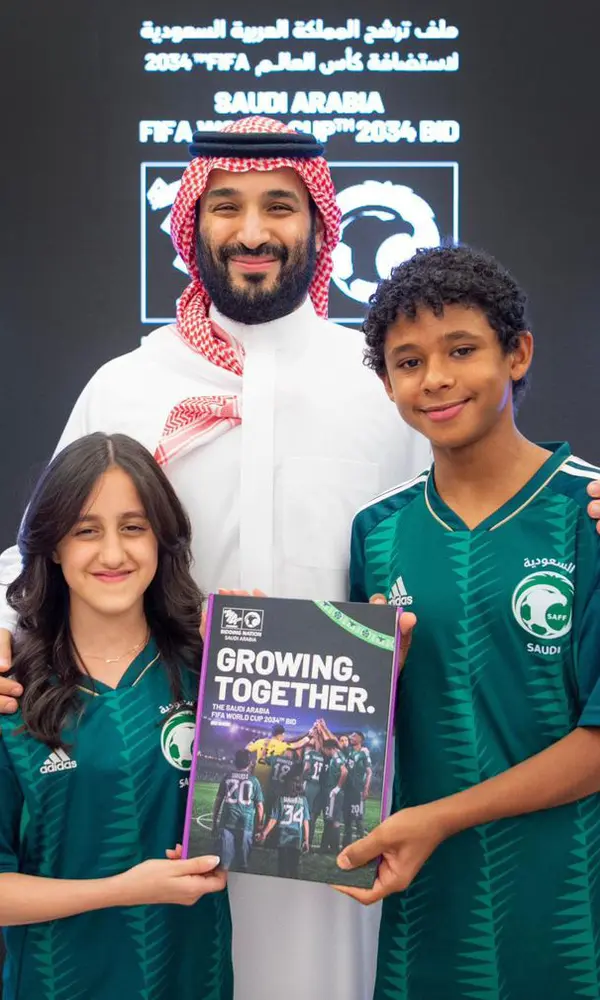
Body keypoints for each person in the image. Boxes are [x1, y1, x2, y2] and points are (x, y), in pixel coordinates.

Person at [0, 115, 430, 1000]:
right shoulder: (130, 384)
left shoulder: (378, 383)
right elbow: (44, 550)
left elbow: (449, 533)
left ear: (319, 222)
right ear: (193, 222)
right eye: (226, 206)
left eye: (279, 205)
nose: (252, 231)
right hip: (159, 780)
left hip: (324, 788)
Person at [338, 245, 600, 999]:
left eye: (461, 350)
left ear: (517, 354)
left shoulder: (588, 514)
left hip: (568, 909)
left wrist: (441, 819)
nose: (436, 378)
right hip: (425, 906)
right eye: (409, 362)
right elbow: (361, 732)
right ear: (387, 383)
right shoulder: (376, 532)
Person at [0, 432, 231, 1000]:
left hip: (191, 980)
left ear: (161, 538)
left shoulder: (212, 670)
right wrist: (125, 889)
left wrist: (370, 662)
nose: (112, 554)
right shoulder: (10, 694)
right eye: (86, 530)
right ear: (54, 545)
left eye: (133, 527)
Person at [213, 750, 264, 872]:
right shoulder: (253, 780)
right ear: (249, 763)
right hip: (246, 824)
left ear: (235, 762)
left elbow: (218, 801)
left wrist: (214, 822)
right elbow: (259, 806)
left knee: (225, 863)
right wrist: (259, 826)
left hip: (227, 822)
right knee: (243, 863)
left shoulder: (227, 777)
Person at [258, 769, 310, 878]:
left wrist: (264, 833)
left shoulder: (281, 799)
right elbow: (306, 821)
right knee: (293, 869)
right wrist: (306, 840)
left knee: (282, 869)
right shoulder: (303, 800)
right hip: (296, 838)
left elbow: (273, 820)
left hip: (283, 838)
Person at [342, 732, 372, 847]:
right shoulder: (350, 752)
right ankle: (346, 846)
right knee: (347, 819)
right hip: (348, 790)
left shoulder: (364, 753)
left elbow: (369, 772)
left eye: (354, 736)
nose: (351, 737)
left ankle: (362, 846)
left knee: (358, 818)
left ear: (360, 739)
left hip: (357, 790)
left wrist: (366, 789)